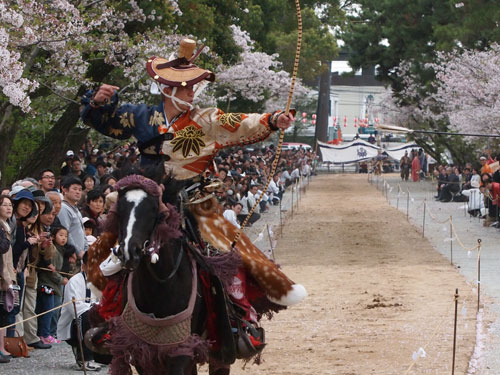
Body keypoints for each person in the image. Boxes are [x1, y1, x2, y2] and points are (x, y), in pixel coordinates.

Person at [57, 252, 101, 371]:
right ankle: (84, 358)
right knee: (87, 315)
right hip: (74, 325)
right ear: (83, 266)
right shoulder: (74, 281)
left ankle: (98, 354)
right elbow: (75, 309)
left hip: (94, 322)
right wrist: (94, 307)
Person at [36, 226, 69, 344]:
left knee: (53, 310)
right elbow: (50, 270)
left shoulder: (61, 250)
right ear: (54, 236)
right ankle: (44, 334)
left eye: (66, 236)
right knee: (48, 310)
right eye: (61, 235)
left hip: (53, 284)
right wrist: (61, 280)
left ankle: (49, 333)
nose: (64, 238)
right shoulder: (52, 249)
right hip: (47, 284)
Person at [0, 195, 16, 363]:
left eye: (10, 205)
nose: (8, 208)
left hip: (7, 270)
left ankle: (3, 346)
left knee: (6, 311)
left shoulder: (9, 225)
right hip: (2, 272)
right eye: (4, 205)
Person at [58, 177, 87, 259]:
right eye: (74, 189)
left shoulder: (76, 209)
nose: (78, 192)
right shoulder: (63, 208)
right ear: (64, 190)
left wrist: (86, 249)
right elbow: (66, 232)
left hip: (81, 255)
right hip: (71, 255)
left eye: (80, 190)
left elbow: (82, 231)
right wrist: (77, 251)